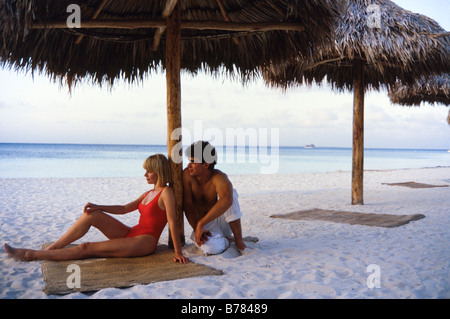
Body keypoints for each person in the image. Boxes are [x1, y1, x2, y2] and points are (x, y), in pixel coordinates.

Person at [4, 154, 189, 264]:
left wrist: (178, 252)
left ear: (158, 171)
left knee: (87, 248)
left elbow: (172, 223)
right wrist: (98, 206)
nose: (145, 174)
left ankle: (30, 255)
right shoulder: (149, 192)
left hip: (145, 241)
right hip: (131, 233)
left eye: (149, 171)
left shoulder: (166, 192)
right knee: (92, 215)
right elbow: (124, 208)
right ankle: (52, 249)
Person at [183, 141, 247, 255]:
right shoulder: (187, 176)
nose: (188, 165)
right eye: (189, 161)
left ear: (206, 164)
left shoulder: (219, 177)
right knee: (211, 249)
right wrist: (197, 228)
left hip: (222, 221)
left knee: (230, 194)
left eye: (193, 162)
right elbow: (187, 206)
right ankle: (227, 240)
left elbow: (227, 200)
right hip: (206, 227)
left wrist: (200, 223)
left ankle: (238, 240)